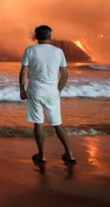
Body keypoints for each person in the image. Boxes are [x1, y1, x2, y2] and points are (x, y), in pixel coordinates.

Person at [19, 25, 76, 166]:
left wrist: (22, 89)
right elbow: (65, 75)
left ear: (35, 37)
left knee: (38, 124)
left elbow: (23, 72)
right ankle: (69, 154)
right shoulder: (58, 52)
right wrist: (58, 90)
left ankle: (42, 156)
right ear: (50, 37)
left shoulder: (30, 50)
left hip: (35, 91)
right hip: (52, 93)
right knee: (57, 124)